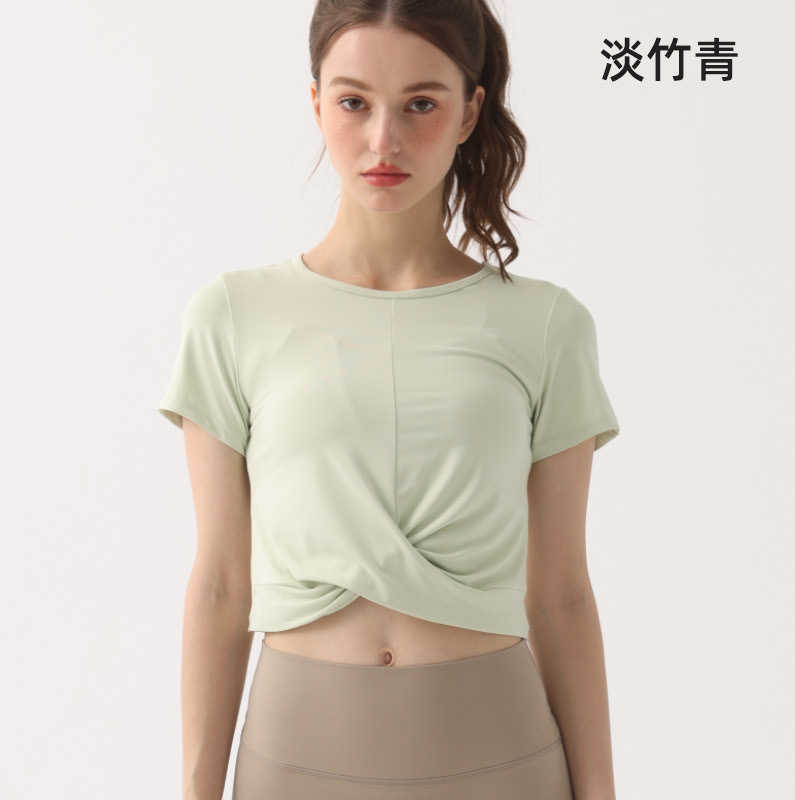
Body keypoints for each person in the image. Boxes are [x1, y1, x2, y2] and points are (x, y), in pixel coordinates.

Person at [157, 2, 621, 798]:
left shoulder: (545, 324)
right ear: (316, 103)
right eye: (353, 102)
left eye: (420, 104)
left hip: (500, 756)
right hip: (295, 760)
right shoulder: (234, 315)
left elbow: (562, 595)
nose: (383, 140)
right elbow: (221, 585)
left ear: (469, 111)